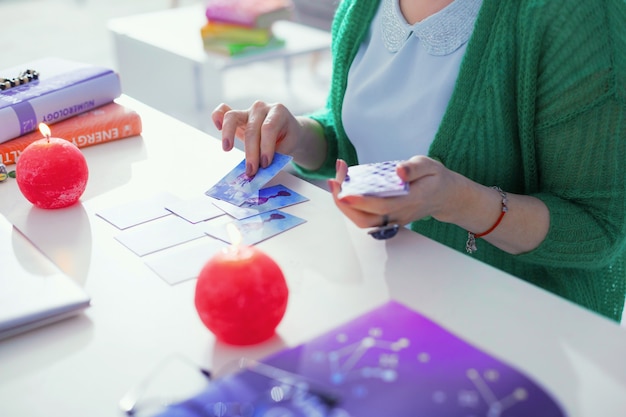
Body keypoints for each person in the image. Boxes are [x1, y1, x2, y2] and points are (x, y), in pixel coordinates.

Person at [211, 0, 626, 322]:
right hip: (391, 297)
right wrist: (299, 136)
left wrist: (458, 201)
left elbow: (599, 226)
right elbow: (362, 138)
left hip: (522, 332)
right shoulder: (363, 9)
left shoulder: (573, 14)